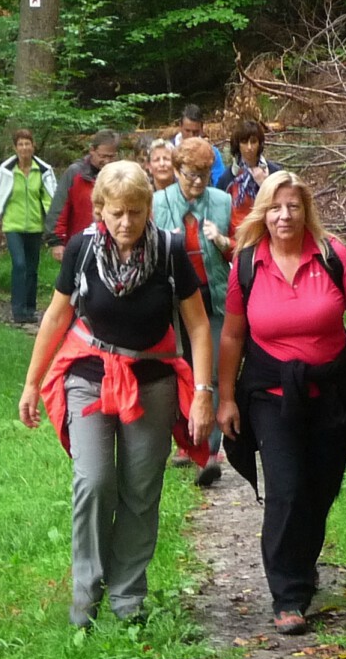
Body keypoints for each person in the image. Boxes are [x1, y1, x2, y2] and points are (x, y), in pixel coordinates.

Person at [19, 161, 215, 628]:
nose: (125, 222)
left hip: (153, 380)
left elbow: (199, 326)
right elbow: (55, 316)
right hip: (89, 375)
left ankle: (127, 599)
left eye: (135, 211)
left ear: (149, 207)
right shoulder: (82, 251)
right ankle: (85, 597)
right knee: (93, 481)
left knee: (141, 490)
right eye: (115, 212)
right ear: (100, 210)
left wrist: (204, 392)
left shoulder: (169, 251)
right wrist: (31, 382)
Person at [217, 171, 346, 636]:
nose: (284, 215)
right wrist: (226, 396)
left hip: (330, 390)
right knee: (287, 490)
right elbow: (232, 335)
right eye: (275, 207)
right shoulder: (247, 264)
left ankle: (303, 566)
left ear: (306, 210)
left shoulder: (332, 256)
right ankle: (288, 594)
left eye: (292, 206)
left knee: (319, 490)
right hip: (271, 395)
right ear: (263, 213)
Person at [152, 138, 233, 485]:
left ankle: (210, 453)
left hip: (210, 296)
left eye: (204, 174)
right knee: (176, 371)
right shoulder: (157, 203)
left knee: (211, 374)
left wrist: (223, 241)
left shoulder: (223, 202)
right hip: (171, 302)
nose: (198, 182)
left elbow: (238, 253)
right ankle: (186, 442)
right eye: (190, 174)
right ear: (175, 170)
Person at [0, 129, 58, 324]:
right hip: (13, 226)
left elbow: (49, 198)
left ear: (33, 146)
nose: (24, 148)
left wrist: (54, 225)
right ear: (15, 148)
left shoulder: (42, 171)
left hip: (35, 226)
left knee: (32, 268)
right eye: (21, 144)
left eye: (28, 144)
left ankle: (30, 309)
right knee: (19, 265)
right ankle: (18, 310)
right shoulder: (7, 171)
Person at [44, 130, 120, 262]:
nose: (107, 161)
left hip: (112, 246)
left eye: (111, 157)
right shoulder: (75, 173)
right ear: (92, 150)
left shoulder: (120, 175)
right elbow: (59, 209)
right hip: (79, 245)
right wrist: (57, 241)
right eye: (103, 156)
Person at [216, 119, 283, 236]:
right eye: (244, 142)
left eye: (253, 142)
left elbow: (282, 205)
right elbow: (220, 213)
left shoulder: (275, 172)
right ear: (237, 144)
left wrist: (264, 184)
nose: (249, 147)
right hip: (238, 237)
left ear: (259, 143)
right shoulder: (227, 178)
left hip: (268, 234)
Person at [171, 104, 226, 186]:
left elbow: (220, 184)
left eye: (195, 132)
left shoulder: (211, 153)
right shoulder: (168, 150)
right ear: (180, 126)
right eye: (187, 131)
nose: (191, 135)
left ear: (201, 128)